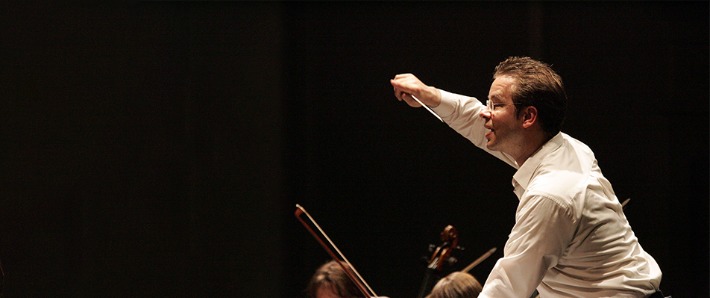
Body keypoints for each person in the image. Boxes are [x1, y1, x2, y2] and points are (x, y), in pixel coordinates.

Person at [390, 56, 664, 297]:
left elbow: (507, 288)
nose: (486, 112)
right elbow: (478, 120)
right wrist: (430, 95)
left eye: (496, 105)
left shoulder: (551, 194)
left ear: (528, 117)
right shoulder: (563, 146)